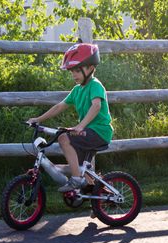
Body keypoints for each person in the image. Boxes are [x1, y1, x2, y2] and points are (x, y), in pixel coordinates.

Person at [27, 43, 113, 192]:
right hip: (88, 131)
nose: (74, 75)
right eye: (72, 71)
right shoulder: (76, 90)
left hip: (100, 131)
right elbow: (59, 106)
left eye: (77, 70)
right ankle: (100, 196)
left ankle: (76, 180)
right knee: (81, 167)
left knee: (64, 138)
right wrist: (39, 119)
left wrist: (80, 126)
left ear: (90, 68)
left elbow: (96, 106)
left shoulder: (95, 85)